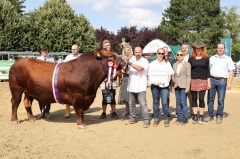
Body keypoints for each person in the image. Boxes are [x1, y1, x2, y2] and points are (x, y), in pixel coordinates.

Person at [205, 43, 235, 124]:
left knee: (221, 100)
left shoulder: (228, 59)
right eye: (219, 48)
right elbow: (208, 71)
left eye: (222, 48)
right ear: (216, 49)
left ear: (224, 49)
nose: (220, 49)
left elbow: (231, 71)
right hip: (212, 80)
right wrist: (208, 81)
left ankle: (219, 115)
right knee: (210, 99)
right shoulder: (212, 58)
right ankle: (210, 115)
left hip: (222, 81)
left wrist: (229, 84)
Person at [148, 48, 174, 127]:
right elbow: (149, 75)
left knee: (165, 103)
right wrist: (154, 82)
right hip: (155, 86)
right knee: (156, 102)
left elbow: (170, 74)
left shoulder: (167, 63)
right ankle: (156, 119)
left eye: (162, 53)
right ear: (157, 53)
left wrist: (167, 82)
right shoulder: (152, 64)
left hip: (164, 86)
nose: (160, 55)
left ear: (164, 54)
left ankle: (166, 118)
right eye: (159, 53)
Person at [125, 46, 150, 128]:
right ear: (134, 53)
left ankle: (146, 120)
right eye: (136, 52)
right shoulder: (131, 60)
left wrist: (129, 63)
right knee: (131, 104)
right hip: (131, 86)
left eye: (139, 52)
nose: (137, 54)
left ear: (141, 52)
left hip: (141, 86)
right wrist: (124, 66)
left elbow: (140, 68)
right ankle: (132, 119)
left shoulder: (145, 61)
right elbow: (127, 71)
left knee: (143, 104)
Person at [188, 42, 210, 125]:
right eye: (197, 48)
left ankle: (201, 116)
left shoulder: (206, 58)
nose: (198, 50)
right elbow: (189, 71)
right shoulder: (191, 59)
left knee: (201, 98)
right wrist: (188, 81)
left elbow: (208, 71)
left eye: (200, 48)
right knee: (193, 99)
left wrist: (208, 82)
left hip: (203, 80)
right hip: (193, 80)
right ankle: (195, 116)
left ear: (202, 49)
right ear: (194, 49)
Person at [99, 40, 118, 119]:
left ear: (110, 46)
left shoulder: (114, 56)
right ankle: (104, 112)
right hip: (103, 80)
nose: (107, 46)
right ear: (103, 46)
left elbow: (118, 68)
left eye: (108, 45)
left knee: (112, 95)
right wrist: (103, 77)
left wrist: (113, 75)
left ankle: (113, 112)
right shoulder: (100, 57)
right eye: (105, 45)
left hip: (113, 79)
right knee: (104, 96)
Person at [172, 50, 191, 125]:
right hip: (176, 85)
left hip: (183, 86)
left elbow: (188, 76)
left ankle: (184, 118)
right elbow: (173, 75)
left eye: (181, 55)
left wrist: (187, 86)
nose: (179, 56)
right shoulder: (174, 64)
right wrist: (172, 86)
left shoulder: (187, 64)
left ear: (183, 56)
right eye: (178, 54)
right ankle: (179, 118)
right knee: (178, 103)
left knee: (183, 103)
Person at [36, 46, 55, 118]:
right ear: (40, 51)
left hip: (48, 80)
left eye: (46, 50)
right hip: (39, 80)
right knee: (39, 96)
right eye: (43, 50)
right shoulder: (37, 60)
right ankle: (42, 112)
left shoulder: (51, 59)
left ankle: (47, 111)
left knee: (48, 96)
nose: (45, 52)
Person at [63, 44, 81, 118]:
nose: (73, 50)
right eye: (72, 49)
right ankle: (68, 112)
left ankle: (78, 111)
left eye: (75, 49)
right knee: (68, 94)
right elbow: (64, 67)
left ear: (78, 49)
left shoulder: (81, 57)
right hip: (70, 78)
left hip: (79, 79)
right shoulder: (68, 57)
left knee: (78, 95)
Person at [118, 45, 133, 118]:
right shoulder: (123, 59)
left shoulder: (133, 58)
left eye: (128, 50)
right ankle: (127, 111)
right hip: (125, 78)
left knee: (132, 96)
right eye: (126, 50)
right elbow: (121, 70)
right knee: (126, 96)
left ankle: (132, 112)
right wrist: (123, 68)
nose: (127, 52)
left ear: (131, 51)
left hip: (133, 78)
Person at [163, 46, 174, 118]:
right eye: (164, 51)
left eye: (166, 51)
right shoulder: (157, 59)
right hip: (158, 82)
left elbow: (172, 73)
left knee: (167, 97)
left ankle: (166, 111)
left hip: (168, 83)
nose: (165, 52)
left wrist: (172, 85)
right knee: (157, 98)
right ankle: (156, 111)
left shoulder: (171, 60)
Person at [182, 43, 193, 116]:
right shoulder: (179, 57)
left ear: (188, 49)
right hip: (181, 81)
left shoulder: (192, 58)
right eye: (183, 48)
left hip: (190, 80)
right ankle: (182, 111)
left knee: (191, 97)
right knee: (181, 97)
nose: (184, 49)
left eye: (186, 48)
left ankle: (191, 111)